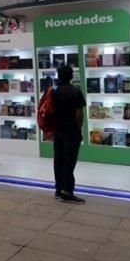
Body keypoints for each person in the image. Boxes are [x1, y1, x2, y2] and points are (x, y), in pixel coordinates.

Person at [52, 65, 86, 203]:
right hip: (71, 130)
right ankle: (68, 191)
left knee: (58, 160)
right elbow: (79, 114)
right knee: (69, 161)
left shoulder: (54, 92)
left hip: (58, 130)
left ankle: (58, 189)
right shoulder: (75, 92)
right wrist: (79, 129)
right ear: (71, 76)